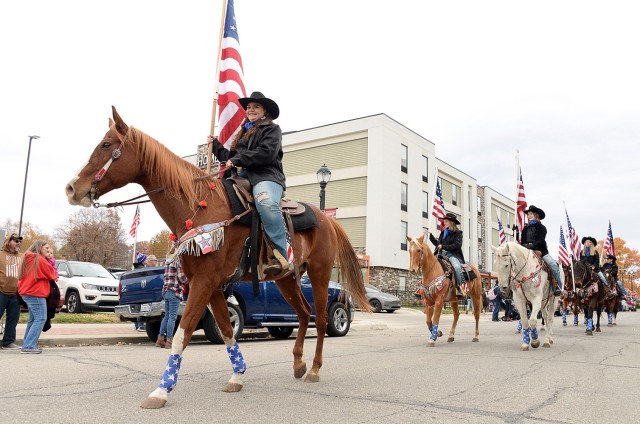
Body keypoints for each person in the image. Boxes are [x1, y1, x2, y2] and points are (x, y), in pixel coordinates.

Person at [208, 91, 292, 274]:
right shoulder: (244, 132)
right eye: (249, 107)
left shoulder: (272, 129)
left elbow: (266, 153)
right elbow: (232, 157)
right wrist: (215, 146)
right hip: (242, 177)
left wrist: (238, 160)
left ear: (265, 112)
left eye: (256, 107)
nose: (251, 110)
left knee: (266, 203)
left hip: (266, 176)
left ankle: (281, 255)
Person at [18, 240, 58, 354]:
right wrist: (50, 261)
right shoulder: (39, 259)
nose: (48, 250)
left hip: (27, 292)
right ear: (39, 248)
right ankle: (29, 346)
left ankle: (27, 343)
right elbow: (52, 274)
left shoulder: (26, 258)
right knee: (41, 318)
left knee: (33, 319)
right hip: (36, 293)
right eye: (46, 248)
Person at [519, 205, 563, 296]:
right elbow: (522, 241)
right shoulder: (525, 228)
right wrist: (517, 235)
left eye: (530, 214)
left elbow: (540, 240)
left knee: (553, 264)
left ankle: (558, 286)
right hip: (526, 251)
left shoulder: (542, 228)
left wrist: (531, 246)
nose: (528, 216)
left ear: (536, 215)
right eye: (528, 214)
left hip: (540, 251)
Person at [428, 212, 465, 294]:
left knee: (456, 266)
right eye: (444, 221)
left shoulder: (458, 233)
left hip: (453, 255)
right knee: (430, 266)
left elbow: (457, 245)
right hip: (441, 255)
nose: (444, 222)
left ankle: (460, 287)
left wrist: (443, 246)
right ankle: (427, 287)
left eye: (446, 221)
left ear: (452, 222)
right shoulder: (443, 233)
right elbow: (438, 244)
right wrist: (430, 236)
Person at [156, 259, 188, 349]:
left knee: (167, 316)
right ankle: (169, 341)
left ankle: (160, 339)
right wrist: (189, 278)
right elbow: (183, 279)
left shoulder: (167, 263)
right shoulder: (177, 263)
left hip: (166, 291)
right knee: (172, 317)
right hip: (174, 292)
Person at [0, 233, 24, 350]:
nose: (18, 243)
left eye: (20, 241)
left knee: (13, 318)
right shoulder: (1, 255)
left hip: (16, 293)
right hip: (1, 292)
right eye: (15, 241)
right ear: (8, 242)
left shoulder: (22, 256)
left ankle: (8, 342)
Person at [132, 252, 148, 331]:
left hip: (135, 291)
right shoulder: (143, 270)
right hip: (142, 291)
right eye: (145, 259)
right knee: (142, 308)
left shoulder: (135, 270)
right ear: (142, 261)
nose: (146, 260)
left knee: (136, 308)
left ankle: (136, 325)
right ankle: (141, 326)